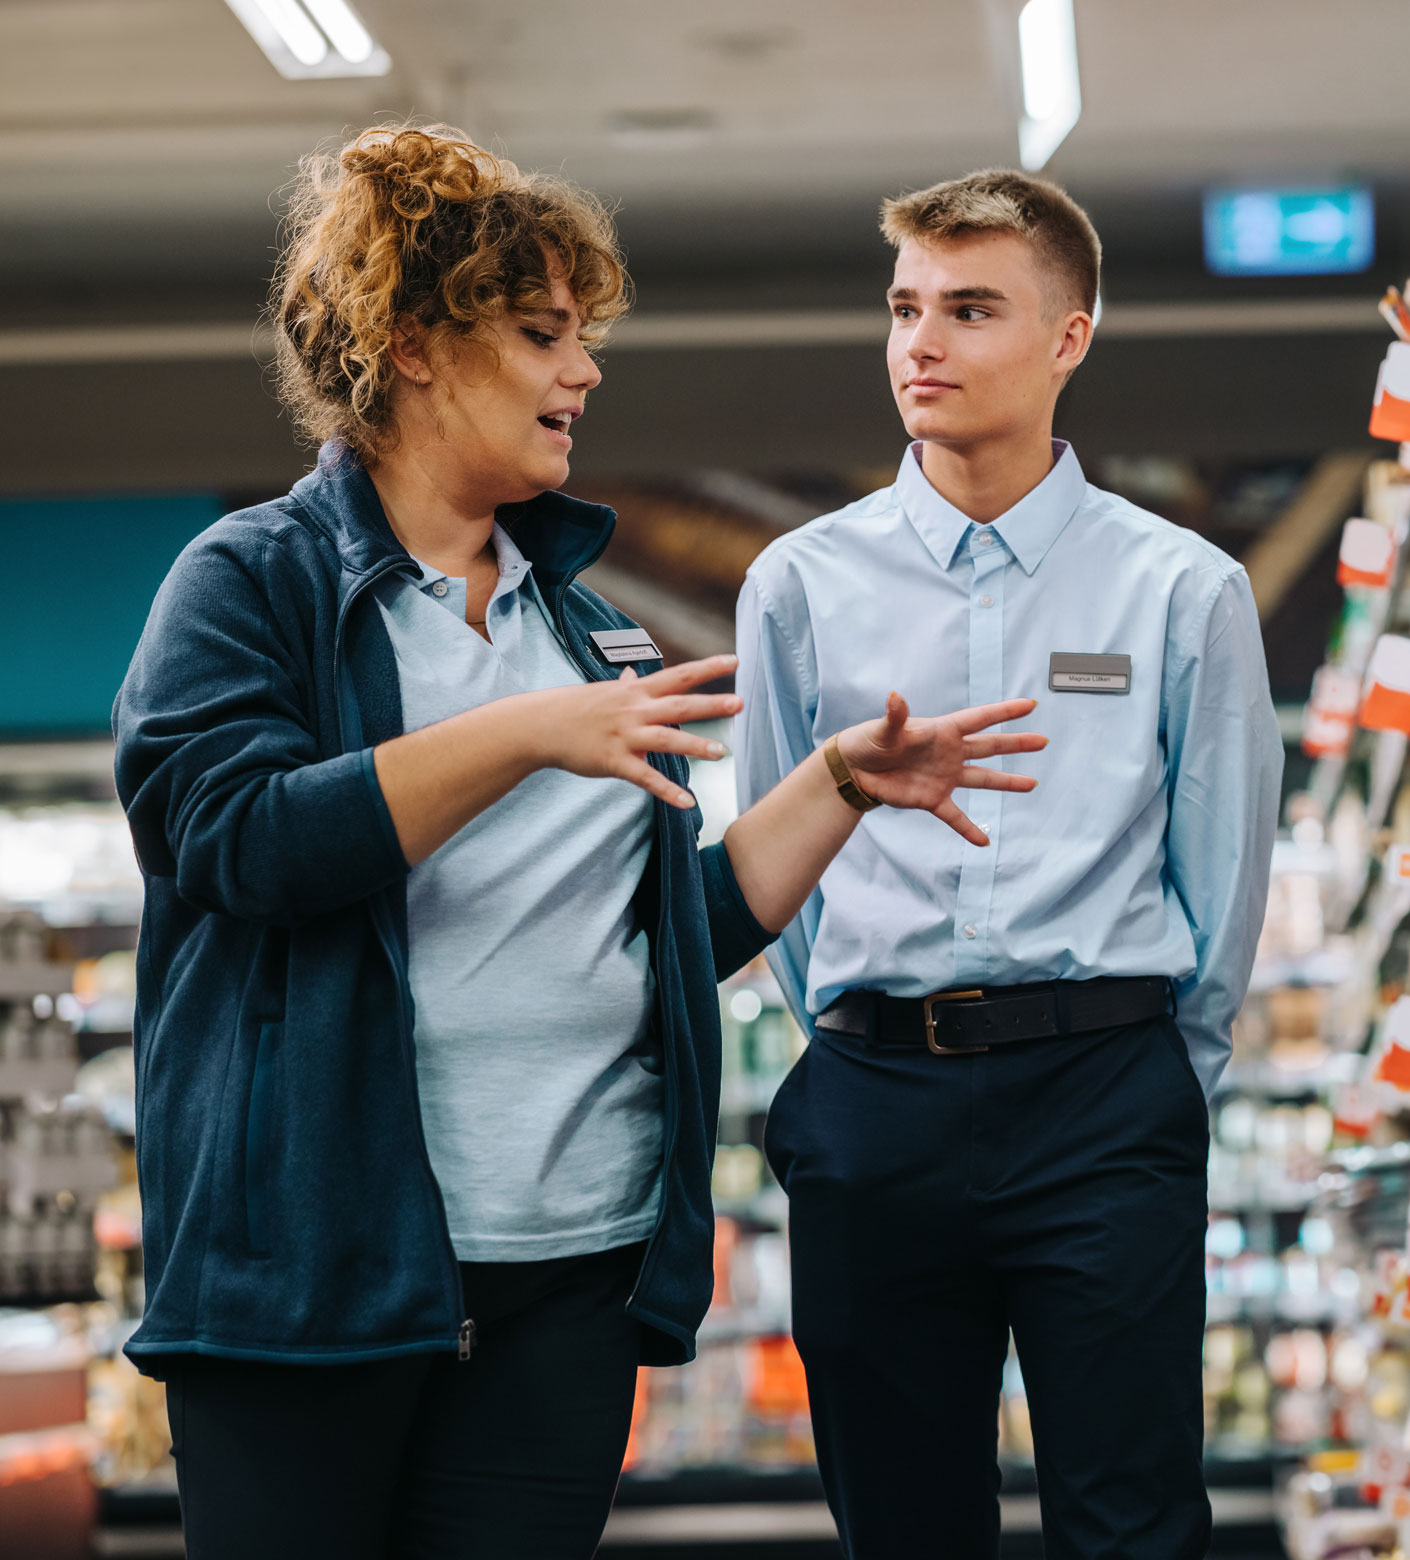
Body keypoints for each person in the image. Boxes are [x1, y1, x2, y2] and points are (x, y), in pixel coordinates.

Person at [111, 126, 1046, 1560]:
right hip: (313, 1277)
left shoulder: (577, 620)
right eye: (544, 334)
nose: (584, 372)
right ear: (415, 344)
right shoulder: (255, 584)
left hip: (570, 1271)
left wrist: (839, 788)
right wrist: (526, 735)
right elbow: (230, 839)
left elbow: (666, 932)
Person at [735, 168, 1283, 1559]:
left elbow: (1220, 882)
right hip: (873, 1097)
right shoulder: (799, 585)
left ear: (1067, 337)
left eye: (970, 309)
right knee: (902, 1527)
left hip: (1104, 1099)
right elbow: (769, 864)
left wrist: (1159, 1075)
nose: (920, 344)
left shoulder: (1178, 588)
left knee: (1130, 1521)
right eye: (904, 307)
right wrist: (862, 1042)